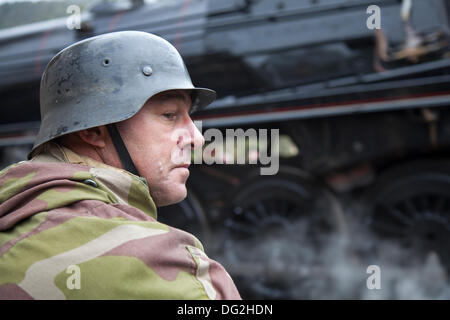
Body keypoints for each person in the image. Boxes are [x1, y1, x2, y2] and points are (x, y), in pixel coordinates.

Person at [0, 31, 241, 300]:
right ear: (94, 131)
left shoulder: (12, 211)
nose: (196, 138)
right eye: (169, 115)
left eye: (189, 116)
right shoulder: (161, 263)